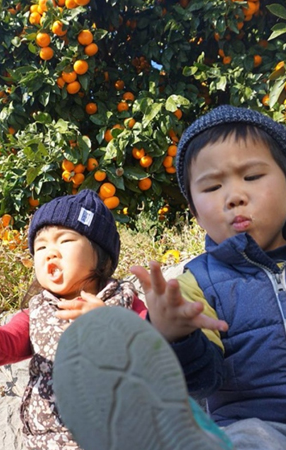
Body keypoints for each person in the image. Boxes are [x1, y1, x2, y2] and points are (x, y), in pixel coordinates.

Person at [52, 105, 286, 450]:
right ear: (194, 212)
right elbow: (204, 380)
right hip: (255, 424)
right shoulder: (198, 284)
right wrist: (178, 337)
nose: (235, 196)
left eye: (252, 176)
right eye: (212, 187)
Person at [0, 189, 147, 450]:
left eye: (64, 241)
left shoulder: (123, 303)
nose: (50, 253)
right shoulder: (38, 311)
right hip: (49, 440)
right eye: (41, 246)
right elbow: (5, 345)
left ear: (101, 255)